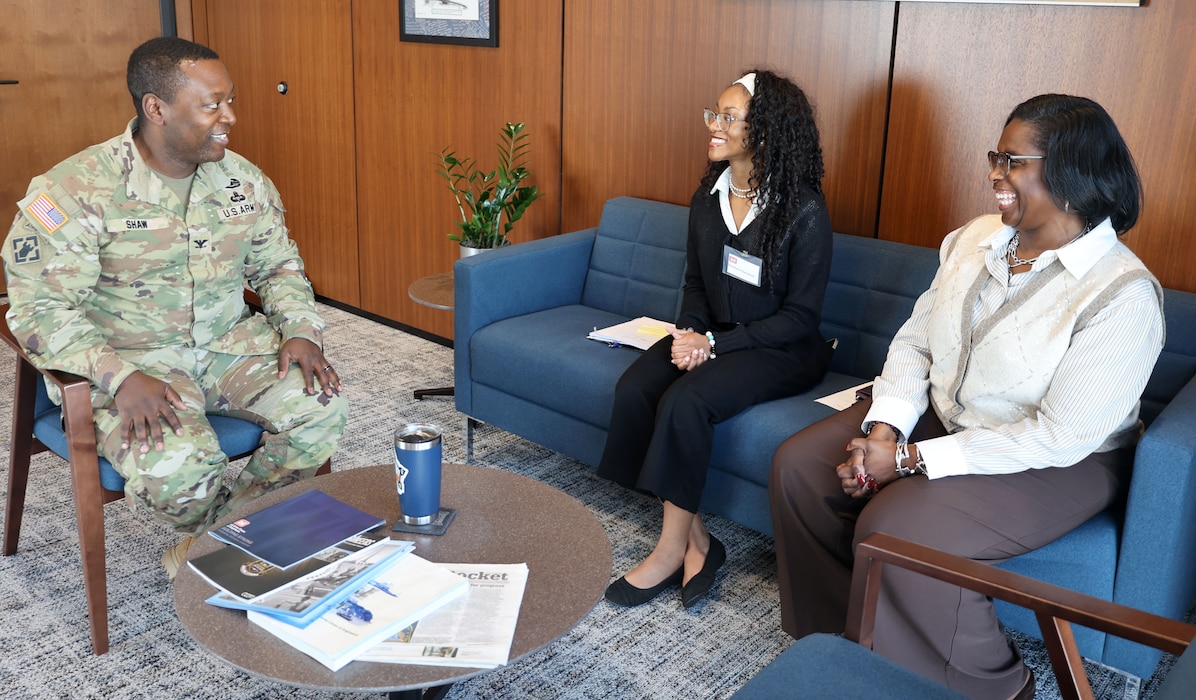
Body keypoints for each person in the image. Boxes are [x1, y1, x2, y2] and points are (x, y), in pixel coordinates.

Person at [769, 94, 1163, 699]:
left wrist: (909, 462)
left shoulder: (1124, 296)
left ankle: (991, 685)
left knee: (896, 526)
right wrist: (885, 432)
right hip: (948, 414)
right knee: (800, 467)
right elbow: (917, 341)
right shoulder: (976, 238)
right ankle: (843, 643)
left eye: (1013, 160)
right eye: (994, 156)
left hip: (1058, 461)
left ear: (1072, 172)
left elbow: (1060, 434)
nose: (994, 174)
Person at [1, 37, 349, 578]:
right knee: (180, 472)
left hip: (228, 348)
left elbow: (278, 267)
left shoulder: (242, 180)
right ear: (156, 108)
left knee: (321, 407)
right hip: (133, 364)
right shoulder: (76, 189)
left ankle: (216, 549)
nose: (229, 117)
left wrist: (301, 329)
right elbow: (38, 310)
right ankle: (242, 543)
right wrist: (118, 377)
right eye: (212, 104)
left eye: (229, 100)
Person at [597, 70, 834, 609]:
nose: (714, 126)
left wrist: (713, 346)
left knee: (687, 401)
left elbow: (801, 316)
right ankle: (701, 540)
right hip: (716, 336)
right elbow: (697, 283)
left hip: (783, 349)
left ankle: (670, 549)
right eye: (715, 114)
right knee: (637, 387)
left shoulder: (803, 210)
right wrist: (689, 333)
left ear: (767, 131)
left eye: (729, 118)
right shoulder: (709, 196)